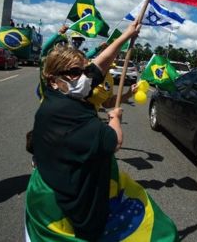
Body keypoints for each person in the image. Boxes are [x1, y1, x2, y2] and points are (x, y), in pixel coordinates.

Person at [25, 21, 178, 241]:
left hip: (71, 168)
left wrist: (127, 35)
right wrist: (115, 119)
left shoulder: (70, 90)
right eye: (76, 72)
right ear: (53, 80)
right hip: (67, 200)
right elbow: (113, 141)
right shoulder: (66, 111)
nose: (86, 76)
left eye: (85, 69)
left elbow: (99, 65)